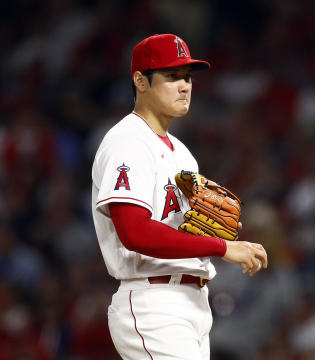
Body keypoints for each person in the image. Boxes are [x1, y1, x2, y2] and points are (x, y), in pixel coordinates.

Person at [91, 34, 268, 360]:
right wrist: (222, 247)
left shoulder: (182, 154)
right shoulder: (128, 142)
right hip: (153, 300)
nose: (184, 85)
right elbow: (136, 232)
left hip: (191, 300)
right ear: (140, 81)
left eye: (187, 76)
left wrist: (215, 232)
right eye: (171, 76)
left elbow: (177, 230)